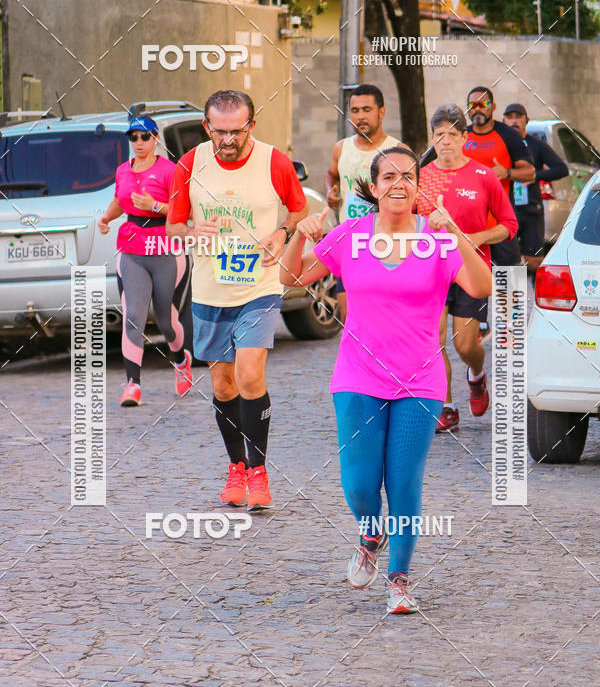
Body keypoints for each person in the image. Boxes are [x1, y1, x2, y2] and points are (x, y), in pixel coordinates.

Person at [281, 146, 492, 613]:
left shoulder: (436, 240)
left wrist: (455, 232)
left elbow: (481, 287)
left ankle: (400, 578)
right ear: (374, 188)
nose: (399, 182)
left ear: (418, 188)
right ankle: (369, 530)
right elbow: (290, 277)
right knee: (358, 483)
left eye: (408, 176)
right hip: (358, 374)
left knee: (403, 482)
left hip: (420, 381)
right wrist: (300, 234)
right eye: (389, 176)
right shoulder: (350, 234)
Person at [166, 90, 307, 511]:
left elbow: (297, 210)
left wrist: (281, 234)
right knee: (223, 384)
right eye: (219, 131)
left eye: (237, 131)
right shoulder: (189, 165)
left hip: (258, 288)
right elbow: (173, 225)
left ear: (252, 125)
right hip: (211, 291)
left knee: (249, 375)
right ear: (207, 127)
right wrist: (192, 234)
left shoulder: (273, 161)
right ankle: (237, 466)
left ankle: (260, 472)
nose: (228, 140)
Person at [416, 104, 518, 433]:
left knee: (464, 345)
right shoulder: (421, 176)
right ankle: (445, 406)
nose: (445, 141)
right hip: (430, 269)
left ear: (464, 138)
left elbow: (508, 225)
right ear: (432, 138)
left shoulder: (483, 175)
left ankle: (476, 374)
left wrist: (473, 237)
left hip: (470, 269)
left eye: (452, 134)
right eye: (439, 135)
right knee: (432, 340)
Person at [98, 116, 192, 406]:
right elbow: (120, 200)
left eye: (144, 137)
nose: (139, 143)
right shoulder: (123, 171)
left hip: (166, 249)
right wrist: (106, 216)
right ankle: (132, 385)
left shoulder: (169, 170)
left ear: (155, 139)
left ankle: (180, 361)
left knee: (165, 320)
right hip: (132, 251)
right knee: (134, 317)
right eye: (133, 137)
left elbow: (184, 212)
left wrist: (153, 206)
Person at [325, 85, 401, 322]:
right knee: (348, 315)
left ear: (381, 112)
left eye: (366, 110)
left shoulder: (397, 151)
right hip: (350, 242)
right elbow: (331, 174)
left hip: (386, 244)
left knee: (385, 316)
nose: (360, 116)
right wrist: (331, 191)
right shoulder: (341, 148)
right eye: (354, 110)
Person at [464, 86, 535, 268]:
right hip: (468, 223)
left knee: (509, 286)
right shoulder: (461, 136)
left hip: (501, 222)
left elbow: (530, 173)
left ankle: (508, 296)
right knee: (472, 286)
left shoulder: (508, 135)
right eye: (473, 104)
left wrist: (507, 173)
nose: (477, 108)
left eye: (483, 104)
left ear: (493, 107)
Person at [502, 102, 568, 276]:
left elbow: (561, 168)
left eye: (518, 117)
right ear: (503, 121)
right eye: (510, 117)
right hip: (507, 210)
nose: (514, 121)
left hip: (531, 209)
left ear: (526, 120)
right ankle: (512, 300)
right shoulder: (500, 144)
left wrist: (533, 175)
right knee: (508, 261)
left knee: (535, 260)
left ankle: (535, 292)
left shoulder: (536, 145)